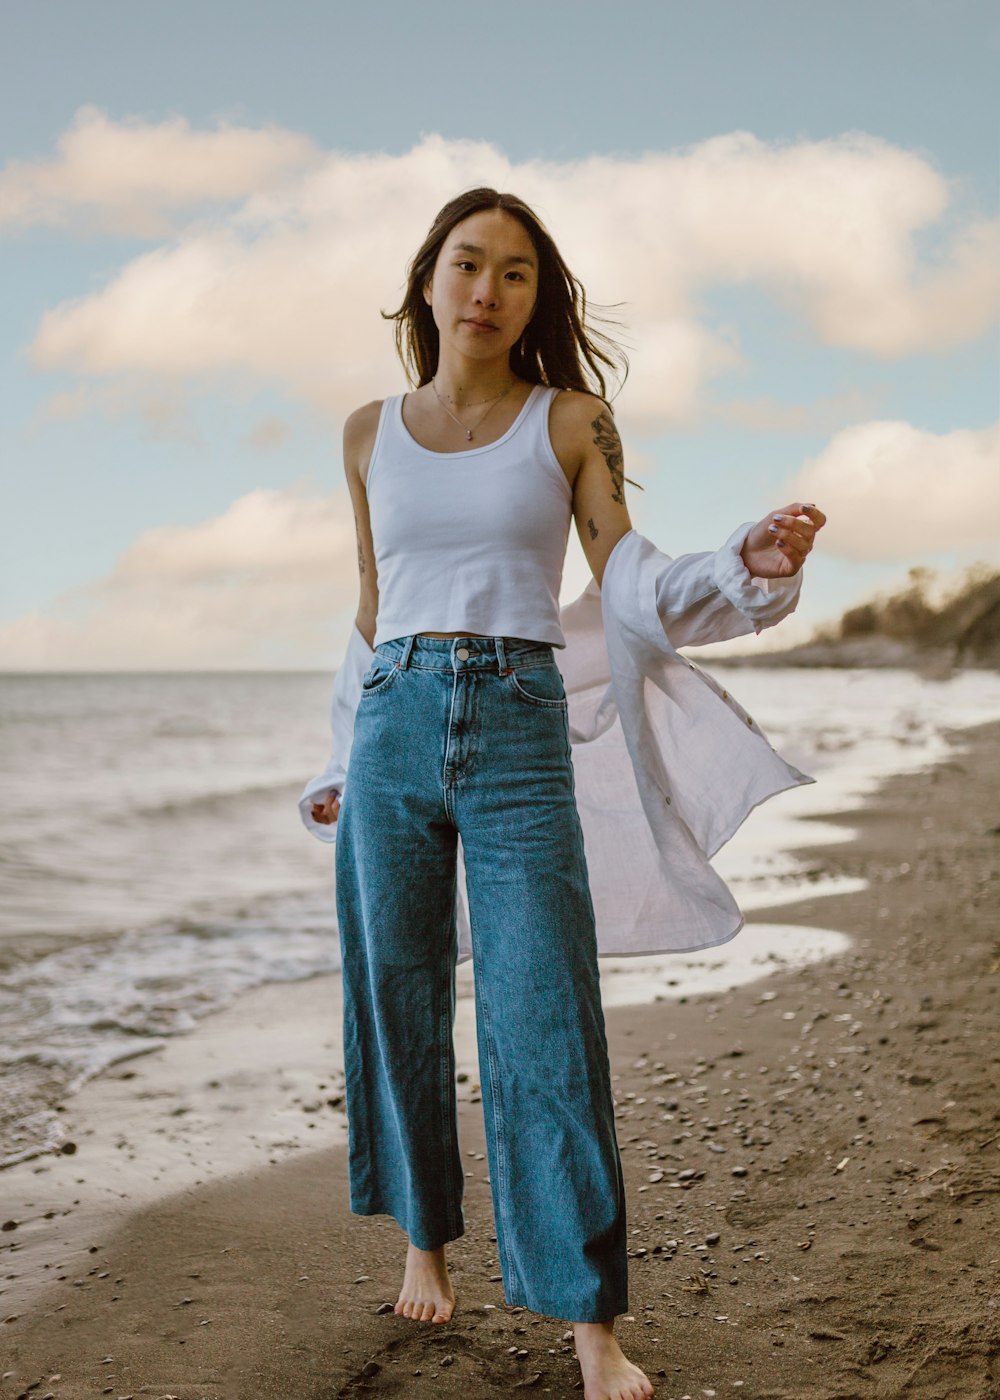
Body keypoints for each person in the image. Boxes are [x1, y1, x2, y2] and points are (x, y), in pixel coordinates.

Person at [305, 187, 825, 1400]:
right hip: (390, 722)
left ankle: (591, 1320)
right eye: (468, 265)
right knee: (396, 992)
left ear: (539, 298)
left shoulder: (570, 420)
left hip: (516, 724)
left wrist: (740, 569)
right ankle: (424, 1237)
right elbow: (375, 612)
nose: (488, 291)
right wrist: (336, 760)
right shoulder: (362, 432)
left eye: (516, 274)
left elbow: (627, 573)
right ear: (426, 281)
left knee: (544, 1020)